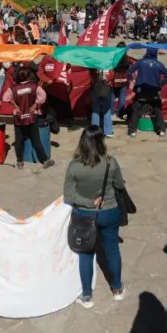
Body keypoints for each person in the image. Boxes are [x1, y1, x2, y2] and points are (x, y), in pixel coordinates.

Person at [63, 127, 127, 308]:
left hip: (84, 214)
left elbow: (68, 194)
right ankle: (117, 289)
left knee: (86, 254)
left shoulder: (74, 166)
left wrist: (89, 202)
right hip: (109, 211)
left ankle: (87, 296)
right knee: (112, 250)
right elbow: (120, 185)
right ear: (101, 142)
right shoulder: (111, 162)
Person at [3, 67, 55, 169]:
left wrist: (14, 105)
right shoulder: (34, 86)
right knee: (36, 140)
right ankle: (45, 160)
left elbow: (5, 97)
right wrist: (36, 104)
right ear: (28, 75)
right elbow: (43, 95)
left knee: (19, 140)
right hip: (32, 116)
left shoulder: (13, 88)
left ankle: (19, 162)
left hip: (19, 117)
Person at [125, 48, 167, 138]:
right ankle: (162, 130)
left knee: (137, 109)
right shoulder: (159, 64)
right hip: (154, 91)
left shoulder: (141, 62)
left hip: (141, 90)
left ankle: (132, 131)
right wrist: (160, 84)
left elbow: (129, 72)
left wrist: (133, 80)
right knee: (158, 110)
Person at [89, 68, 115, 137]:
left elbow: (91, 75)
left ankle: (95, 131)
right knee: (107, 110)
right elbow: (112, 75)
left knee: (95, 110)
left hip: (95, 88)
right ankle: (108, 131)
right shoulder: (108, 62)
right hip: (106, 89)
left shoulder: (93, 62)